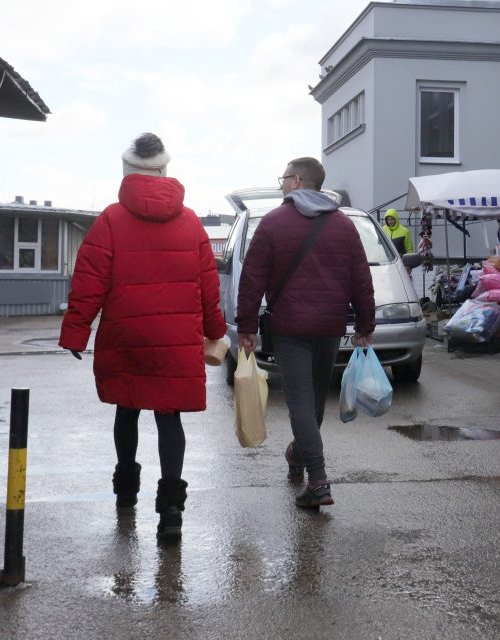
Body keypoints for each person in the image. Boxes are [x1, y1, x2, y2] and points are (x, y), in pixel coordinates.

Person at [59, 132, 226, 541]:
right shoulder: (190, 223)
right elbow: (208, 287)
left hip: (126, 335)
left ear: (128, 171)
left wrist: (77, 332)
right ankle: (171, 509)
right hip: (176, 340)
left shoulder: (111, 220)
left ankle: (126, 493)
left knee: (127, 408)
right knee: (169, 418)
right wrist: (215, 332)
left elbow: (89, 282)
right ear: (164, 170)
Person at [236, 157, 375, 508]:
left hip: (289, 327)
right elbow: (361, 278)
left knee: (300, 401)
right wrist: (364, 325)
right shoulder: (344, 226)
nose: (281, 184)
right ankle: (298, 454)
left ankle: (318, 480)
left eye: (284, 178)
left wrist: (247, 327)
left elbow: (252, 279)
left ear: (297, 180)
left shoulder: (272, 223)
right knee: (312, 402)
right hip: (329, 326)